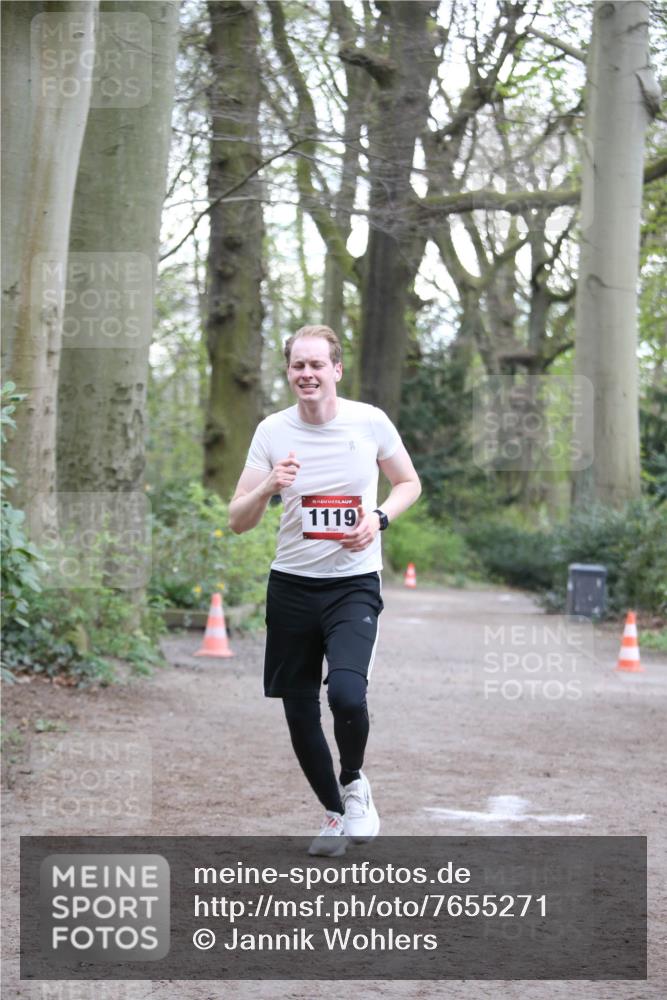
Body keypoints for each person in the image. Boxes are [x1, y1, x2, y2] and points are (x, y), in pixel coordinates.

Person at [229, 325, 421, 856]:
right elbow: (237, 520)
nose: (307, 374)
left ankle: (355, 780)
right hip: (291, 585)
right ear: (289, 372)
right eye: (298, 366)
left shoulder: (370, 422)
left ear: (336, 369)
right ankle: (335, 813)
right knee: (298, 708)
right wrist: (269, 486)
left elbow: (409, 482)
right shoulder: (272, 431)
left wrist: (379, 518)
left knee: (345, 694)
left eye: (317, 365)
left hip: (352, 584)